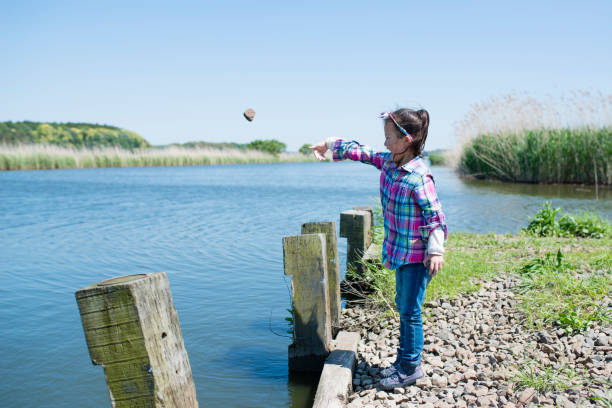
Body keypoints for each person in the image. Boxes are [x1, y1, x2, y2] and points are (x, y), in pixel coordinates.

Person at [310, 108, 447, 390]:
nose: (384, 143)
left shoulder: (419, 177)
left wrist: (436, 251)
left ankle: (410, 367)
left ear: (407, 139)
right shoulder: (388, 162)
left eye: (389, 137)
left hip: (418, 256)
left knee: (410, 310)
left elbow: (436, 217)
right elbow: (361, 151)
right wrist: (330, 145)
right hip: (399, 251)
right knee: (404, 305)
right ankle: (403, 360)